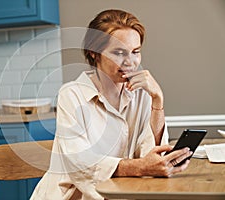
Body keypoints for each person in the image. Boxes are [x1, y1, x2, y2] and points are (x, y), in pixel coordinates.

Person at [31, 9, 192, 200]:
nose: (130, 62)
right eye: (119, 52)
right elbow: (80, 164)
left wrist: (158, 100)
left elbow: (153, 156)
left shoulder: (142, 94)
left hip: (122, 194)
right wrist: (139, 167)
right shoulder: (72, 95)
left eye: (135, 52)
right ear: (93, 53)